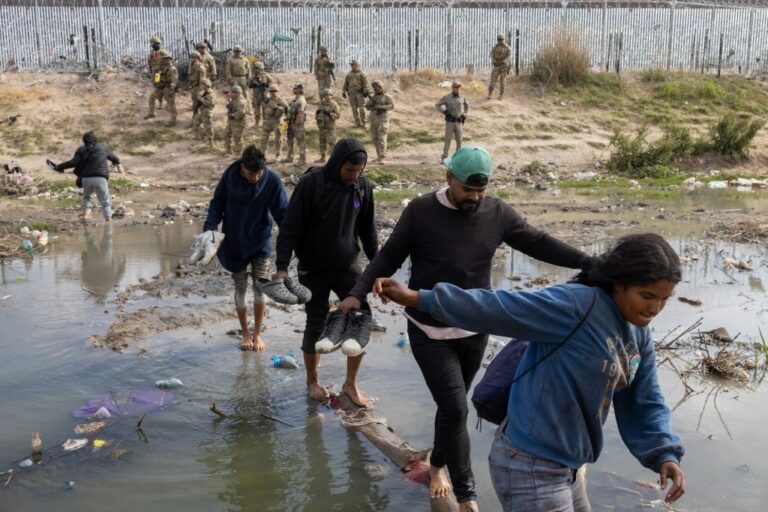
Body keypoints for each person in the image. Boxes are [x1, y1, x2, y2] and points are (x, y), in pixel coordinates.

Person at [338, 145, 590, 512]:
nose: (474, 197)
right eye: (467, 190)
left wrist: (590, 262)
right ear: (449, 178)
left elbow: (537, 242)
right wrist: (356, 294)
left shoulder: (497, 212)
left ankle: (437, 464)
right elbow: (389, 255)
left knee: (450, 409)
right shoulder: (421, 211)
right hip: (429, 329)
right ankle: (467, 494)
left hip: (475, 329)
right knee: (456, 409)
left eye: (480, 191)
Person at [375, 233, 687, 512]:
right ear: (619, 283)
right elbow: (496, 307)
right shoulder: (578, 306)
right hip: (529, 466)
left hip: (569, 466)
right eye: (647, 296)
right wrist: (420, 298)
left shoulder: (638, 334)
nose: (655, 308)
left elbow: (645, 399)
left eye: (664, 299)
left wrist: (664, 453)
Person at [274, 138, 378, 407]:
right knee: (316, 322)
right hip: (313, 268)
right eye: (349, 171)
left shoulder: (363, 188)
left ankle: (350, 385)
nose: (353, 176)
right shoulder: (312, 184)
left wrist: (379, 270)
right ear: (337, 163)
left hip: (347, 266)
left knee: (360, 319)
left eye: (358, 171)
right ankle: (312, 381)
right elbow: (290, 227)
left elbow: (368, 231)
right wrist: (282, 267)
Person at [203, 145, 288, 351]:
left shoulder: (272, 181)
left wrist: (294, 237)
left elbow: (283, 214)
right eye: (251, 174)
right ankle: (245, 333)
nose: (256, 178)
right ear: (242, 168)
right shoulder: (229, 177)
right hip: (234, 242)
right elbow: (217, 204)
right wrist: (210, 230)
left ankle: (257, 334)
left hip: (260, 241)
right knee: (240, 288)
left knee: (261, 288)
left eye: (259, 174)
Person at [56, 131, 121, 223]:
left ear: (84, 141)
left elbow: (73, 163)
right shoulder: (102, 147)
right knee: (105, 201)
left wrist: (59, 167)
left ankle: (85, 216)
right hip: (101, 178)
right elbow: (115, 159)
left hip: (86, 179)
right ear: (95, 140)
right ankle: (108, 221)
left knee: (87, 197)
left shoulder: (81, 149)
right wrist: (115, 164)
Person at [436, 81, 469, 161]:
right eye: (456, 87)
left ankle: (458, 159)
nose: (457, 89)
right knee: (448, 140)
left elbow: (467, 106)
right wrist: (445, 111)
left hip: (459, 122)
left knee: (459, 141)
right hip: (450, 122)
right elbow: (438, 105)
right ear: (452, 88)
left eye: (458, 88)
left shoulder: (462, 97)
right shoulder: (447, 97)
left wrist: (464, 114)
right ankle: (444, 158)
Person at [145, 49, 178, 126]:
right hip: (160, 87)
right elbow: (157, 76)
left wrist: (172, 87)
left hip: (168, 87)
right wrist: (157, 83)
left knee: (171, 104)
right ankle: (151, 113)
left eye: (164, 58)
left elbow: (174, 79)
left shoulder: (172, 68)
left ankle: (173, 120)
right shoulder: (160, 67)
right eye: (162, 58)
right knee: (152, 97)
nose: (162, 60)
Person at [364, 80, 394, 163]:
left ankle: (382, 157)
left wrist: (381, 107)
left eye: (378, 87)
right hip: (374, 119)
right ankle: (378, 156)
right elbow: (367, 106)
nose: (376, 89)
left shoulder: (387, 96)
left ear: (381, 87)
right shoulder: (373, 97)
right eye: (375, 88)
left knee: (382, 138)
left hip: (383, 119)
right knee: (375, 138)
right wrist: (371, 106)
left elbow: (392, 106)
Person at [260, 84, 288, 161]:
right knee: (264, 138)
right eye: (271, 91)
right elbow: (263, 105)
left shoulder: (280, 100)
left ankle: (278, 154)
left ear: (277, 91)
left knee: (278, 139)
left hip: (277, 121)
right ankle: (262, 154)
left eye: (274, 91)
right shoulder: (267, 99)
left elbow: (286, 108)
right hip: (268, 121)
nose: (272, 92)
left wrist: (277, 107)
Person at [283, 83, 307, 165]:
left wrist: (297, 122)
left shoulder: (301, 100)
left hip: (297, 124)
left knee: (300, 141)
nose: (294, 90)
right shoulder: (295, 99)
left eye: (295, 88)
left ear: (300, 90)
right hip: (290, 123)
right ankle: (290, 157)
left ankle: (302, 159)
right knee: (290, 140)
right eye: (294, 88)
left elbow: (301, 112)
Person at [342, 59, 370, 128]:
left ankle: (364, 123)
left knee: (361, 109)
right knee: (354, 108)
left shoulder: (362, 74)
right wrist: (343, 91)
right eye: (351, 65)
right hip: (351, 93)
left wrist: (365, 91)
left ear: (357, 65)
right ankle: (357, 122)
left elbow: (365, 84)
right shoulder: (349, 74)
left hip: (359, 93)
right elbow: (346, 83)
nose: (352, 66)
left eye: (353, 65)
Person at [315, 88, 341, 163]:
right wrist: (318, 117)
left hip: (330, 127)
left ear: (331, 96)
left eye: (329, 95)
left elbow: (338, 115)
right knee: (322, 142)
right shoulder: (321, 104)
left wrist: (330, 114)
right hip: (322, 126)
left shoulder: (334, 104)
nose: (327, 96)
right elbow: (317, 113)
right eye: (325, 95)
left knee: (331, 143)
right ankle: (323, 157)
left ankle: (333, 159)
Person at [249, 61, 273, 129]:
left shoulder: (265, 75)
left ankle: (265, 123)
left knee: (264, 110)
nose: (256, 70)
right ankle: (256, 123)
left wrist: (267, 86)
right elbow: (249, 84)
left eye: (257, 68)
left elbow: (271, 83)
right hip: (256, 95)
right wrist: (253, 84)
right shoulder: (253, 76)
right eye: (255, 68)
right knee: (256, 110)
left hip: (264, 94)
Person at [225, 85, 248, 155]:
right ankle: (228, 150)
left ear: (237, 93)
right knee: (227, 135)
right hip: (232, 121)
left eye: (232, 93)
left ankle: (239, 153)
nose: (231, 94)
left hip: (238, 122)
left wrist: (232, 116)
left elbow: (241, 112)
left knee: (237, 138)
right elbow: (230, 107)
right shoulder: (234, 99)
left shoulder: (241, 101)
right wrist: (229, 101)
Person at [488, 33, 511, 100]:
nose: (500, 41)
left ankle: (501, 95)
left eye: (501, 39)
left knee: (503, 81)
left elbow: (509, 56)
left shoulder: (507, 48)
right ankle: (490, 93)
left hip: (504, 66)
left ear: (504, 39)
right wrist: (494, 61)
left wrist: (504, 61)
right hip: (496, 65)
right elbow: (491, 55)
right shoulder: (495, 47)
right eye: (499, 40)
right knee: (493, 80)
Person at [188, 51, 207, 128]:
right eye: (191, 57)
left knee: (199, 105)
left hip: (198, 88)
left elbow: (202, 80)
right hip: (194, 87)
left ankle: (201, 122)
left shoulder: (200, 68)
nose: (192, 59)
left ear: (198, 58)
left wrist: (200, 91)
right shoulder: (193, 67)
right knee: (195, 105)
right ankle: (195, 120)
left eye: (194, 57)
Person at [196, 78, 215, 148]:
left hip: (207, 112)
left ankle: (211, 142)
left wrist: (201, 99)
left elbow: (209, 103)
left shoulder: (210, 93)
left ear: (206, 85)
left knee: (209, 127)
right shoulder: (204, 91)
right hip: (202, 111)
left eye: (201, 84)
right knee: (196, 122)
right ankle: (198, 136)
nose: (200, 85)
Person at [147, 36, 164, 110]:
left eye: (154, 44)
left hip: (161, 74)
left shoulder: (163, 53)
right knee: (157, 88)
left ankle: (166, 103)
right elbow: (150, 63)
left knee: (164, 89)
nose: (153, 46)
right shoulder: (152, 53)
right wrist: (151, 72)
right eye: (152, 45)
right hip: (156, 74)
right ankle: (160, 102)